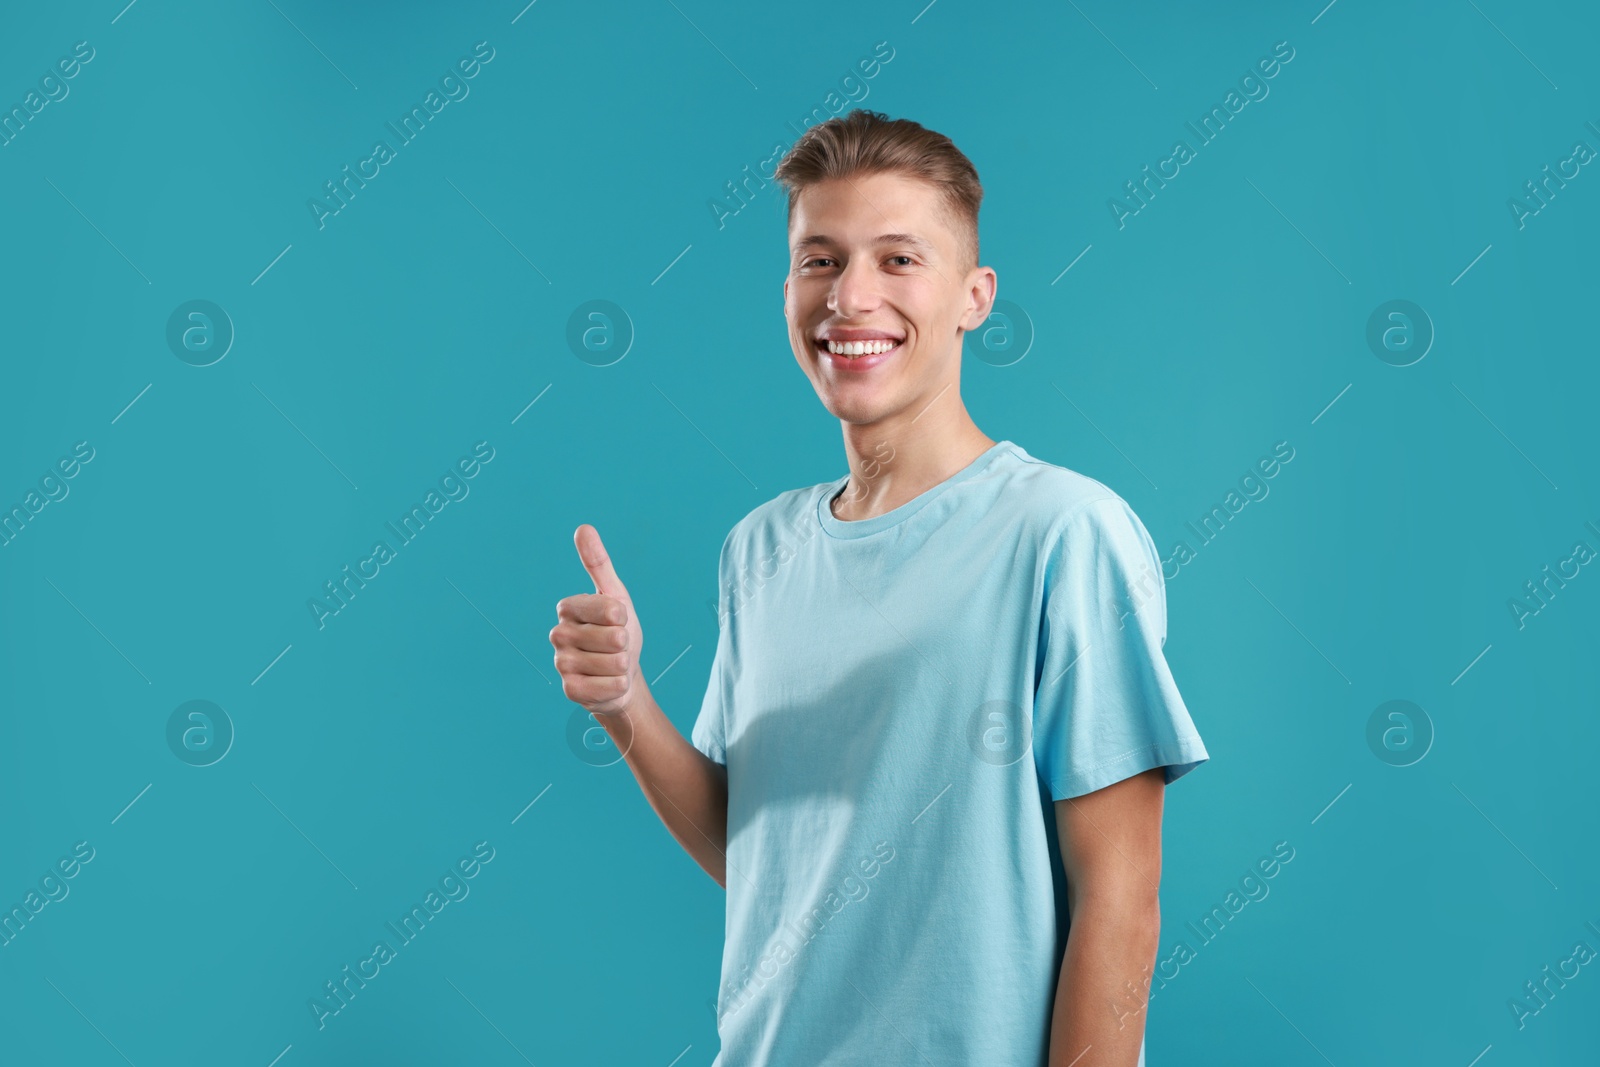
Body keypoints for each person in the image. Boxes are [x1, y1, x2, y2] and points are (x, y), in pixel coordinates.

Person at [549, 108, 1209, 1067]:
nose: (850, 297)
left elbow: (1121, 898)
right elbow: (770, 861)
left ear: (975, 296)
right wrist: (624, 706)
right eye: (820, 260)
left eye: (899, 259)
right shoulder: (759, 549)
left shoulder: (1062, 533)